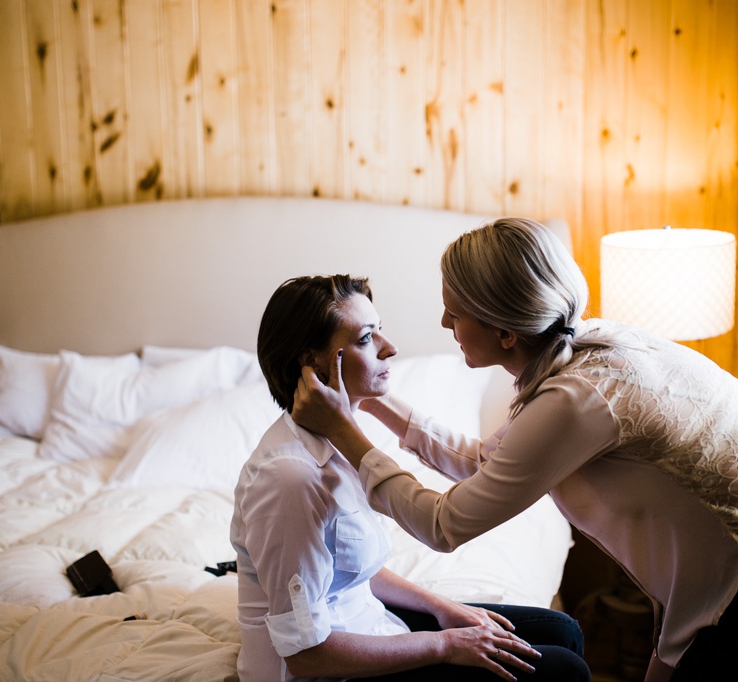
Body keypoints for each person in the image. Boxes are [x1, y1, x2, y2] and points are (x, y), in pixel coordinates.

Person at [290, 219, 738, 682]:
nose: (444, 322)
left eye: (455, 312)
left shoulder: (578, 399)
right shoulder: (591, 347)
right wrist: (372, 408)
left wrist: (346, 432)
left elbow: (445, 525)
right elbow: (485, 463)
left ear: (506, 332)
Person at [230, 274, 592, 682]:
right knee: (565, 669)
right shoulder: (290, 479)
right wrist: (447, 644)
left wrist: (440, 606)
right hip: (330, 668)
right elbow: (306, 655)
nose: (391, 348)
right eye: (367, 338)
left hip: (370, 623)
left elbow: (348, 568)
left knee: (561, 631)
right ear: (314, 363)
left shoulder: (336, 446)